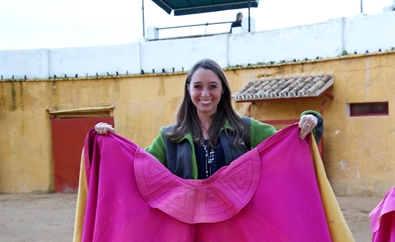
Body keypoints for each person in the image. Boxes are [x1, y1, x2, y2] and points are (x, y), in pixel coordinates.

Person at [95, 58, 320, 179]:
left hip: (236, 227)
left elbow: (288, 144)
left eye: (212, 86)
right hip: (188, 228)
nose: (205, 94)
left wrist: (311, 119)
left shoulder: (245, 129)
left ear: (222, 90)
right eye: (198, 87)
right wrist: (107, 142)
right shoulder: (170, 137)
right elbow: (137, 167)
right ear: (189, 90)